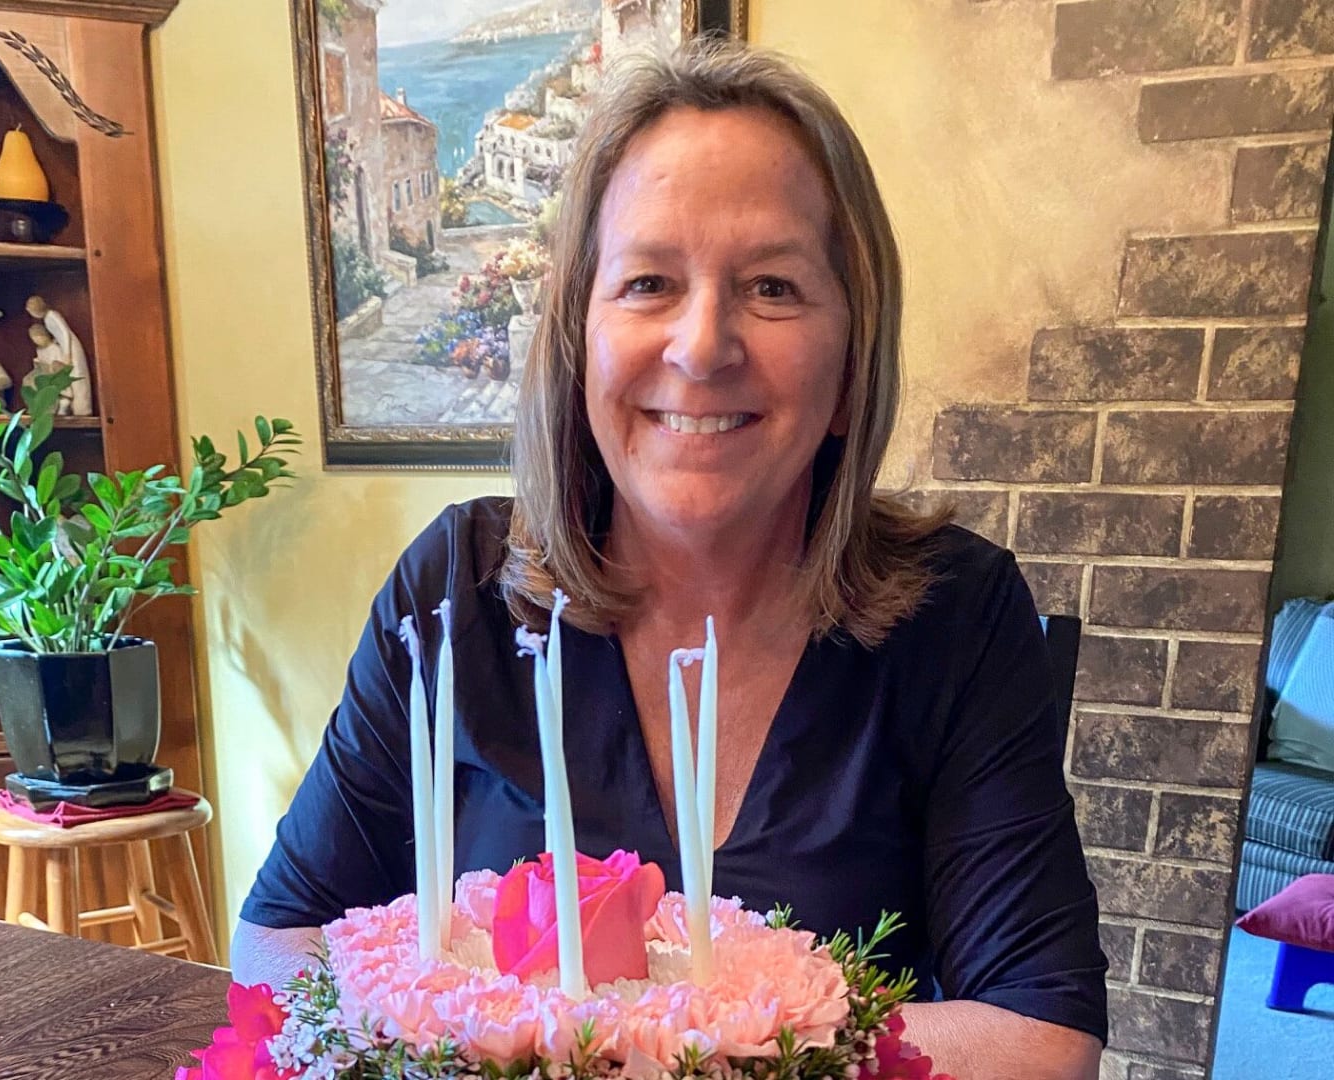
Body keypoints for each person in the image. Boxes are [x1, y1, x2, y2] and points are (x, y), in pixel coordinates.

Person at [235, 39, 1106, 1080]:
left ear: (851, 351)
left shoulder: (957, 615)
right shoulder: (456, 593)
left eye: (773, 287)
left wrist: (668, 1049)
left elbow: (1042, 1041)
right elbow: (275, 947)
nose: (702, 346)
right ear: (579, 335)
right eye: (649, 281)